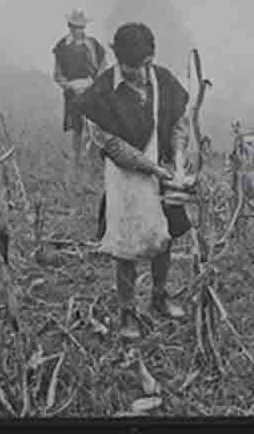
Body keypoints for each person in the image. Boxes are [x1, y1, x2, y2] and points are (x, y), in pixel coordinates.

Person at [76, 22, 191, 341]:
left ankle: (160, 294)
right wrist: (155, 169)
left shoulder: (165, 82)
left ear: (150, 60)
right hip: (125, 176)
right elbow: (112, 145)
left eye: (136, 68)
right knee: (126, 243)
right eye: (124, 67)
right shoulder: (101, 92)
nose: (129, 74)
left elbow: (181, 124)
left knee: (164, 235)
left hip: (164, 168)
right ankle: (127, 310)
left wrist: (178, 161)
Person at [51, 8, 108, 178]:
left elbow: (103, 67)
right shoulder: (62, 47)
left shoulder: (94, 45)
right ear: (70, 27)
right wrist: (69, 85)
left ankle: (94, 165)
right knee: (77, 129)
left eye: (82, 27)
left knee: (96, 128)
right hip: (73, 93)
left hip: (93, 92)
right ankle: (76, 167)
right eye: (76, 27)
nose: (79, 31)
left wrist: (95, 83)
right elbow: (58, 74)